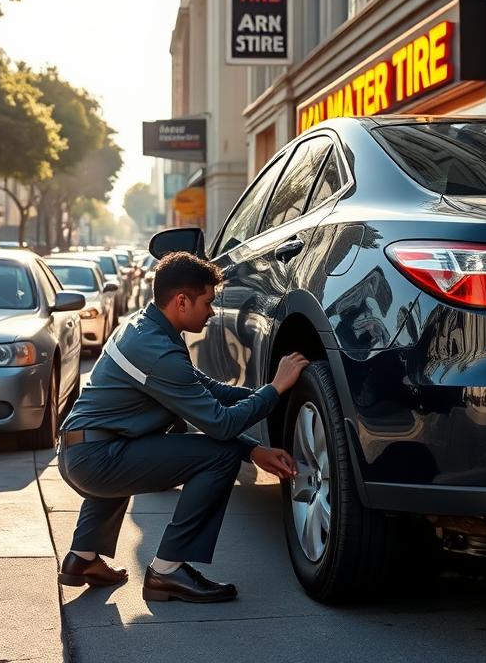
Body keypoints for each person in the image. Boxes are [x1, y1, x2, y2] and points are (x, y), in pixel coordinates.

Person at [57, 251, 309, 603]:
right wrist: (274, 389)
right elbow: (219, 426)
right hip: (96, 459)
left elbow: (210, 391)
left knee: (136, 451)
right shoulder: (158, 352)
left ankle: (81, 559)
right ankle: (167, 571)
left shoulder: (144, 328)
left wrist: (257, 435)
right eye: (207, 302)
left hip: (84, 450)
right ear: (181, 301)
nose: (212, 312)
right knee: (218, 456)